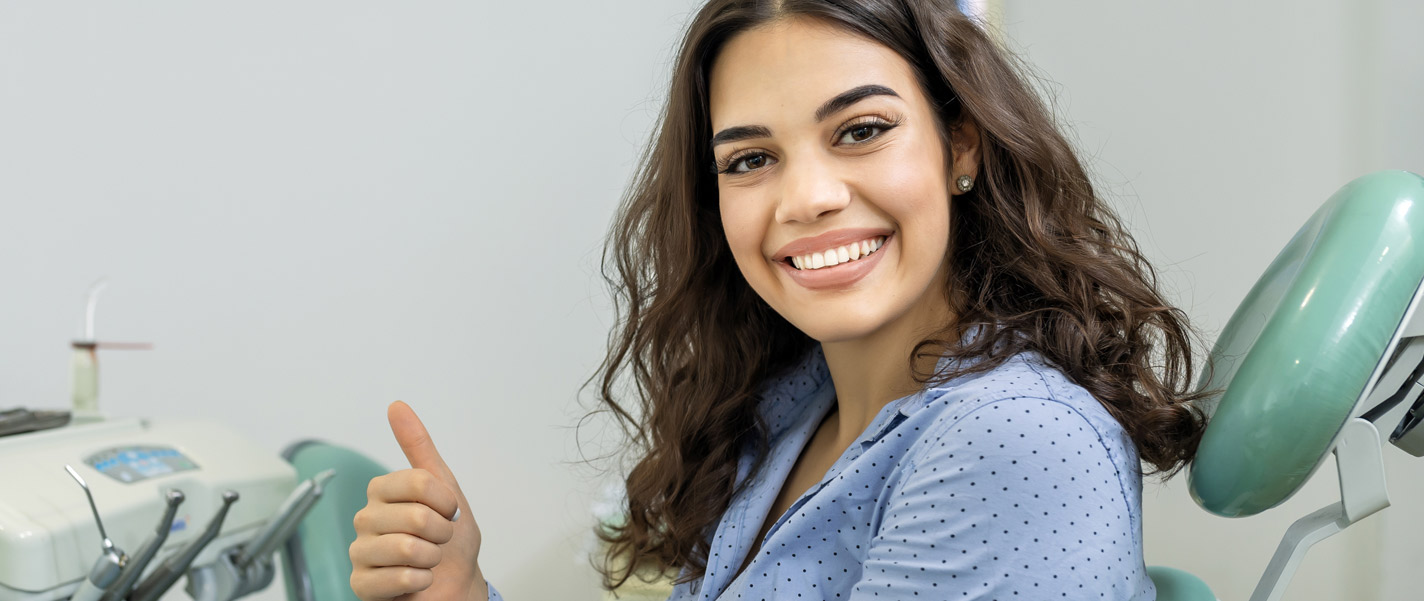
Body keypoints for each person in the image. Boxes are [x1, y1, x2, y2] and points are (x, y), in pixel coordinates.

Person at [348, 0, 1209, 599]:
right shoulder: (792, 411)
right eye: (751, 159)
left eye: (861, 131)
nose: (806, 198)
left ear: (961, 146)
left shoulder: (1015, 440)